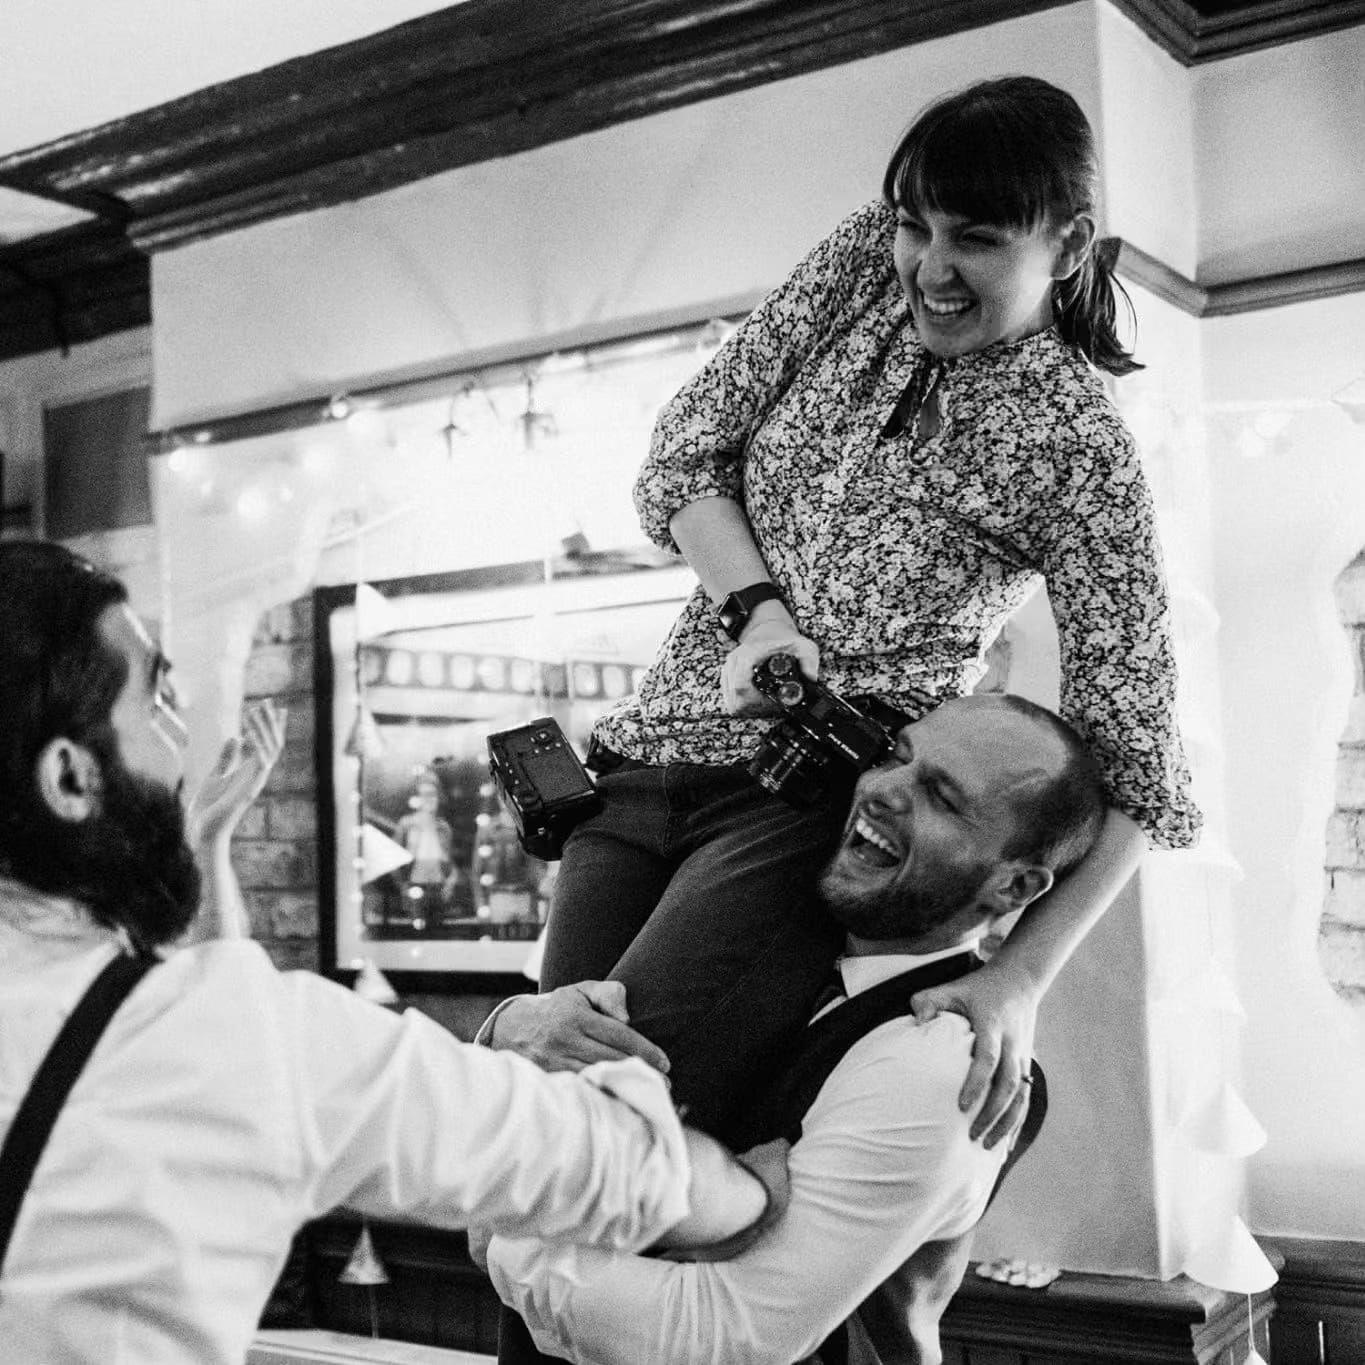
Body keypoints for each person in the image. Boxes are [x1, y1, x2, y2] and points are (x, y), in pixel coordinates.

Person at [536, 74, 1200, 1150]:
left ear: (1068, 247)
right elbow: (682, 457)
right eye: (916, 227)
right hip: (638, 763)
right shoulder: (860, 265)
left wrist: (1021, 978)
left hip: (804, 801)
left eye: (976, 240)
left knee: (612, 1125)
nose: (930, 269)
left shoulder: (1081, 449)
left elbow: (1141, 766)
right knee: (540, 1105)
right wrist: (759, 612)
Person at [0, 541, 784, 1365]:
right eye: (159, 699)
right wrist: (754, 1191)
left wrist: (210, 844)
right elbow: (634, 1169)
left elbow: (187, 1036)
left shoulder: (199, 1036)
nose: (185, 734)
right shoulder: (237, 1043)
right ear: (70, 778)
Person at [486, 693, 1108, 1365]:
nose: (880, 790)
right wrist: (507, 1033)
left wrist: (509, 1235)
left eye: (942, 797)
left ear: (1014, 885)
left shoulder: (939, 1060)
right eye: (894, 756)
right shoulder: (741, 959)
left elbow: (723, 1334)